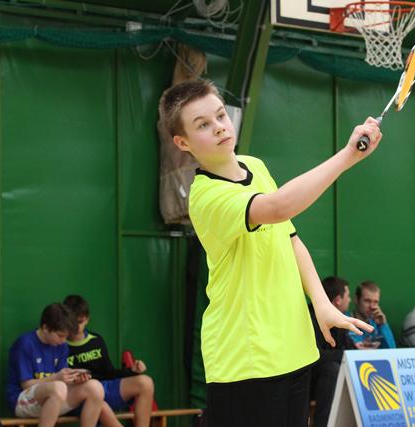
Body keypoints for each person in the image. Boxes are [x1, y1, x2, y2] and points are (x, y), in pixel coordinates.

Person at [158, 79, 381, 427]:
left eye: (220, 115)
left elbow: (290, 239)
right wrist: (348, 156)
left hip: (293, 351)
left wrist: (321, 303)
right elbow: (278, 208)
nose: (219, 127)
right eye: (202, 125)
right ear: (182, 142)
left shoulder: (255, 166)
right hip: (247, 362)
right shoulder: (206, 197)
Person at [5, 303, 105, 427]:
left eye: (66, 337)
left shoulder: (62, 346)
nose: (63, 341)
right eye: (60, 335)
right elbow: (26, 385)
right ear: (45, 328)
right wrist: (56, 378)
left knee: (95, 387)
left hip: (54, 399)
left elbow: (62, 382)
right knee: (58, 387)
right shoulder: (25, 343)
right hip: (22, 401)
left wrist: (75, 379)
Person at [63, 295, 154, 427]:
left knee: (146, 382)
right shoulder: (59, 344)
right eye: (72, 322)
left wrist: (132, 371)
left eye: (80, 321)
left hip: (105, 388)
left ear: (87, 319)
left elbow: (110, 373)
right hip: (82, 395)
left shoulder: (96, 340)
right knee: (99, 403)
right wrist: (76, 381)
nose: (76, 327)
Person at [309, 277, 358, 427]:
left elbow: (350, 350)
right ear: (338, 300)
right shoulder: (309, 317)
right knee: (331, 369)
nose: (349, 300)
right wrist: (343, 355)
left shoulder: (339, 318)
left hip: (325, 380)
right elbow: (315, 356)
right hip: (306, 379)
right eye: (348, 296)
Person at [351, 280, 396, 349]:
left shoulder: (378, 323)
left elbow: (392, 350)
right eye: (367, 301)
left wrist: (383, 325)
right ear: (356, 299)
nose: (372, 306)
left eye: (375, 302)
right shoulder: (345, 321)